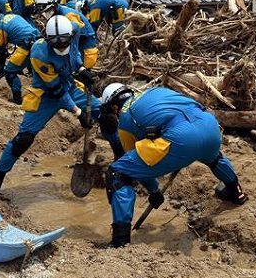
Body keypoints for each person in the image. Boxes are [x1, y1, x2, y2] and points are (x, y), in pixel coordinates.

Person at [100, 83, 247, 247]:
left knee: (117, 173)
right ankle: (236, 193)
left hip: (182, 138)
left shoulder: (126, 119)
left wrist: (154, 191)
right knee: (213, 157)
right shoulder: (155, 91)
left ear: (114, 106)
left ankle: (120, 242)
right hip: (209, 126)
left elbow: (137, 166)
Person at [0, 15, 120, 195]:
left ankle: (121, 162)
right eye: (56, 45)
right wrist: (79, 112)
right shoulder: (39, 53)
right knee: (23, 140)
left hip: (70, 86)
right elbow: (57, 91)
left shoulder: (74, 30)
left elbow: (75, 54)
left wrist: (81, 70)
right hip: (45, 94)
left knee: (107, 118)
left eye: (64, 43)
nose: (61, 47)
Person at [0, 5, 40, 105]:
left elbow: (0, 51)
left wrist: (1, 68)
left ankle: (17, 100)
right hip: (39, 41)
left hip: (27, 46)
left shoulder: (0, 27)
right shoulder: (13, 16)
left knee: (9, 72)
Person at [35, 0, 98, 72]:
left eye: (47, 11)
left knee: (80, 67)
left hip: (85, 42)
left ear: (53, 6)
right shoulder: (57, 13)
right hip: (76, 38)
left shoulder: (68, 16)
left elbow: (75, 38)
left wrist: (74, 63)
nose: (44, 15)